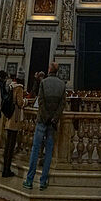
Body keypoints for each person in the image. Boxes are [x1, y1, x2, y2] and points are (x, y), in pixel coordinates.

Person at [23, 61, 66, 190]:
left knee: (35, 150)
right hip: (52, 123)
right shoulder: (61, 85)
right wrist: (54, 119)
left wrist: (46, 117)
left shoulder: (44, 82)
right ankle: (43, 181)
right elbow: (62, 104)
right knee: (48, 152)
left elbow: (40, 102)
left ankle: (29, 180)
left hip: (42, 121)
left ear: (49, 70)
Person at [1, 75, 25, 177]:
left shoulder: (10, 87)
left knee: (8, 145)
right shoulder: (19, 88)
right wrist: (25, 102)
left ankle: (5, 168)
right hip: (14, 118)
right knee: (11, 144)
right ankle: (6, 170)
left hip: (8, 118)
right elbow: (20, 102)